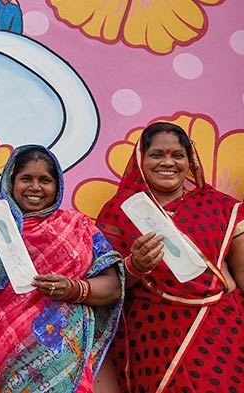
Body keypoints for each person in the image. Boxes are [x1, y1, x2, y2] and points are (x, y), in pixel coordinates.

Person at [0, 145, 123, 392]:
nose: (35, 187)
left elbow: (113, 288)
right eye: (26, 179)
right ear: (10, 182)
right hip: (4, 354)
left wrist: (73, 288)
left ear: (58, 187)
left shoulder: (78, 227)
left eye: (45, 180)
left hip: (63, 358)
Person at [96, 122, 244, 391]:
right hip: (153, 337)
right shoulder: (120, 210)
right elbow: (107, 285)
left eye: (177, 155)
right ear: (141, 160)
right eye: (156, 154)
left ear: (190, 161)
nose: (168, 162)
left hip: (218, 331)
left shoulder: (222, 207)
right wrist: (135, 266)